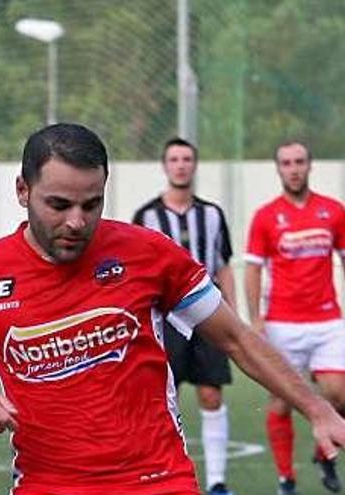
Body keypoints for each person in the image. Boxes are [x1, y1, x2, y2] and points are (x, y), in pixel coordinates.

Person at [0, 123, 345, 495]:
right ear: (23, 190)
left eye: (92, 204)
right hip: (47, 485)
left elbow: (236, 339)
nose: (76, 222)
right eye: (58, 204)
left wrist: (319, 412)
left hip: (158, 480)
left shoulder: (147, 253)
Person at [244, 140, 345, 495]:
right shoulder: (266, 217)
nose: (294, 168)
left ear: (310, 166)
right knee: (282, 400)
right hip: (282, 323)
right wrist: (256, 319)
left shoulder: (333, 211)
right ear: (278, 168)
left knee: (339, 394)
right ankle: (286, 480)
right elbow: (252, 270)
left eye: (299, 161)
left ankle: (324, 454)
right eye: (286, 163)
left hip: (327, 319)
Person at [132, 137, 237, 495]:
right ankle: (153, 475)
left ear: (194, 165)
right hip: (164, 325)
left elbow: (223, 267)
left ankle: (218, 482)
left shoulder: (212, 214)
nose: (181, 165)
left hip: (207, 318)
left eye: (187, 159)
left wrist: (232, 315)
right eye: (174, 159)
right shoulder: (146, 217)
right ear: (165, 166)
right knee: (161, 399)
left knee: (211, 395)